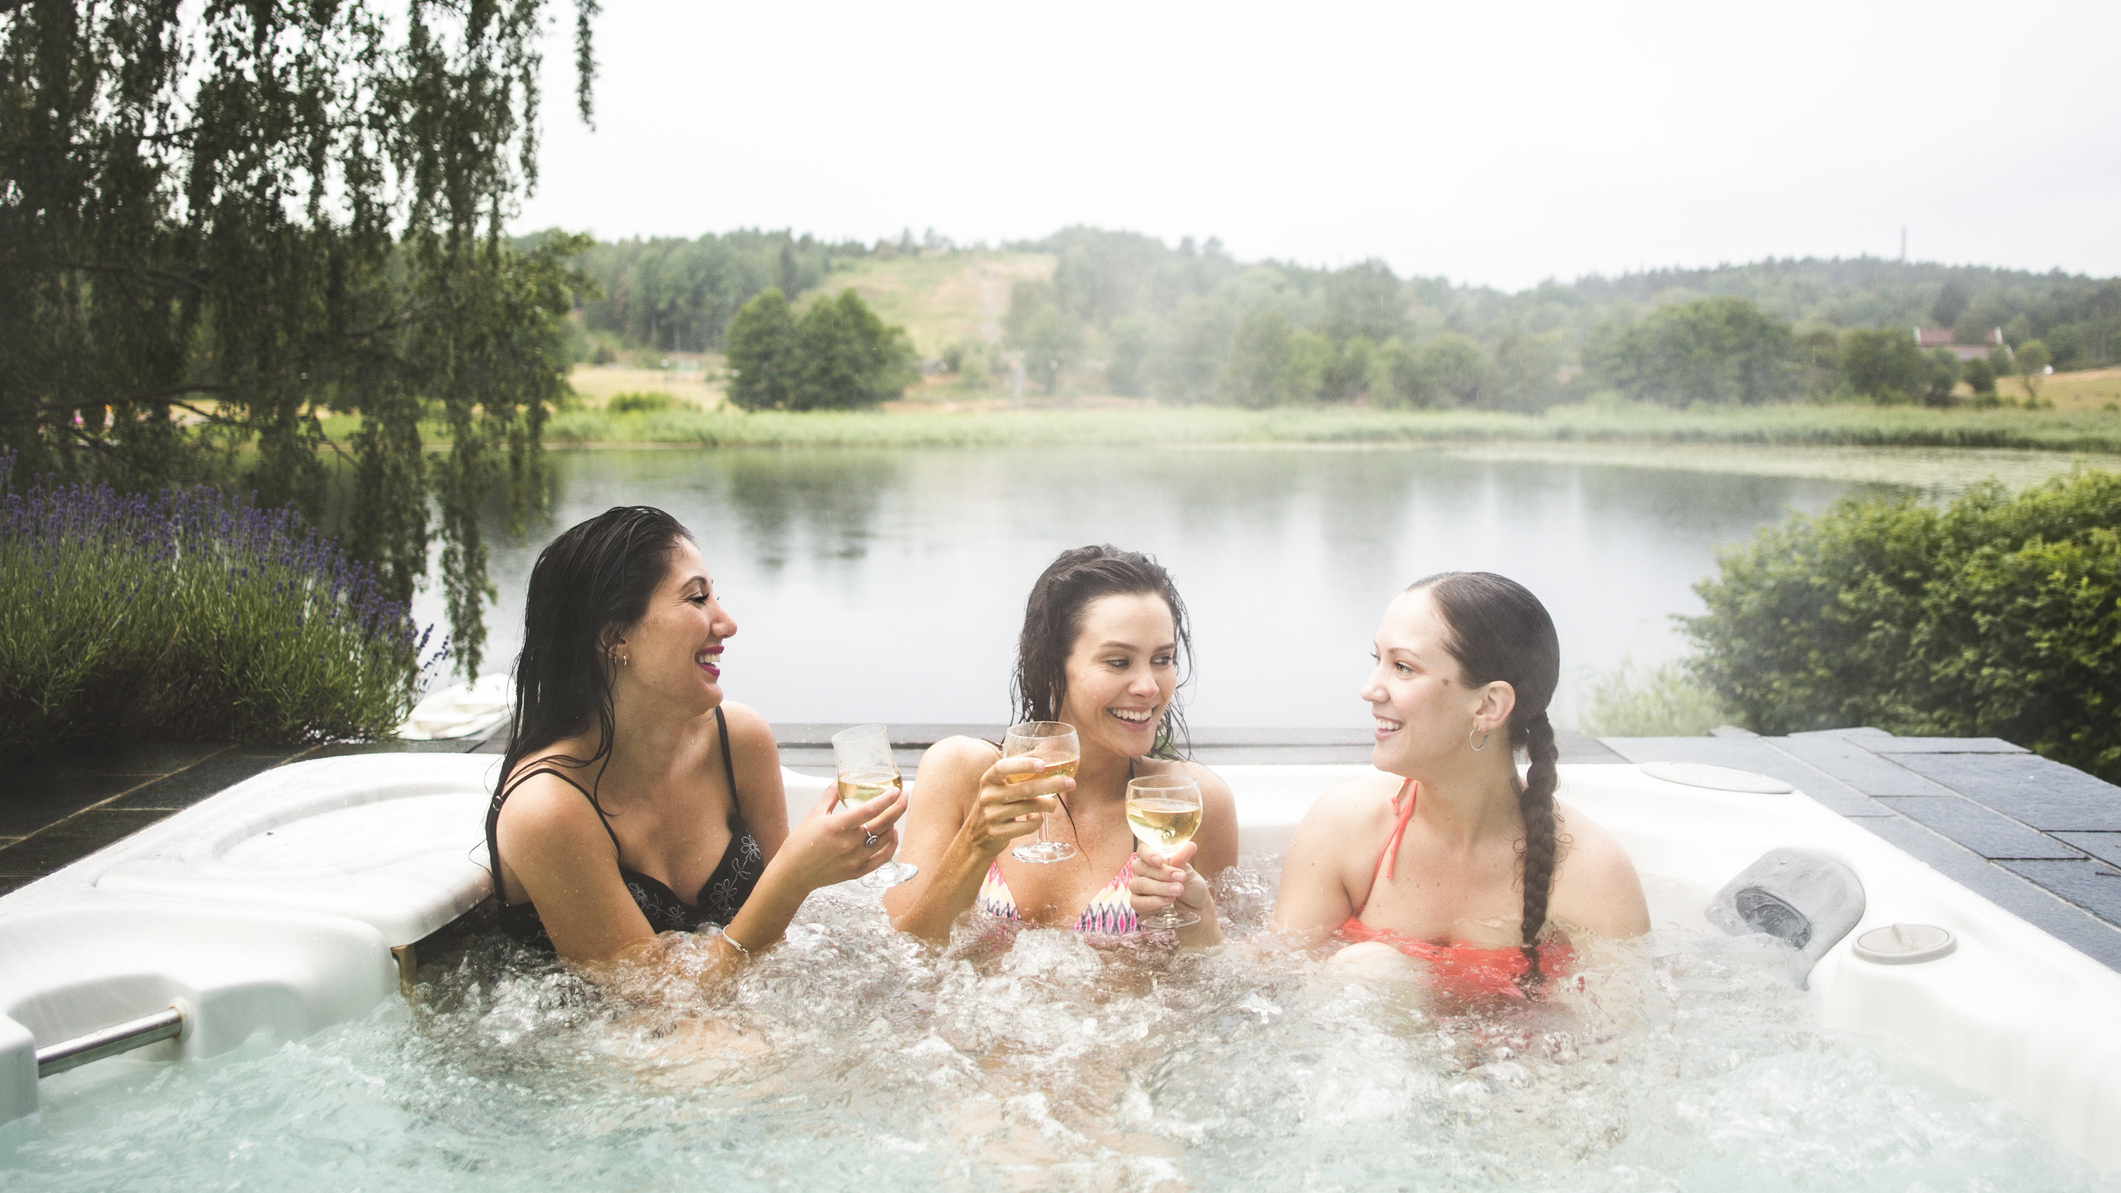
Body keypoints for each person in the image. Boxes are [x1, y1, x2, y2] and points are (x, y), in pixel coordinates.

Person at [484, 506, 905, 975]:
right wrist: (795, 875)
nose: (726, 624)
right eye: (697, 599)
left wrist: (815, 871)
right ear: (615, 637)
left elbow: (781, 947)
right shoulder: (548, 808)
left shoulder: (739, 742)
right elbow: (653, 1003)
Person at [1274, 571, 1649, 1000]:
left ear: (1488, 706)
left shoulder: (1592, 873)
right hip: (1376, 1058)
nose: (1370, 689)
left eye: (1402, 667)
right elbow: (1273, 982)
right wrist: (1199, 923)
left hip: (1519, 1063)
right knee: (1369, 969)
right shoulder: (1344, 825)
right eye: (1376, 659)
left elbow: (1623, 1045)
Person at [884, 546, 1236, 946]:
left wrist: (1199, 920)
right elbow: (901, 961)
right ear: (1053, 669)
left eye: (1163, 658)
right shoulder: (962, 773)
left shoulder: (1186, 802)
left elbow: (1217, 986)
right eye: (1118, 662)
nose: (1149, 687)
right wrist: (975, 844)